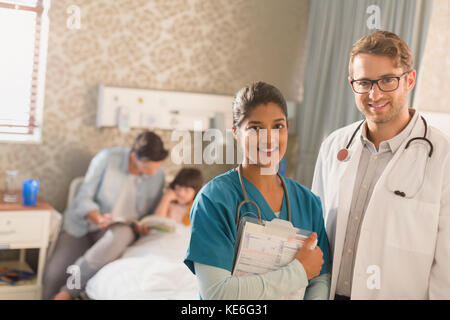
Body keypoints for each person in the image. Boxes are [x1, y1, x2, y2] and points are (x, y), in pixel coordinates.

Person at [312, 31, 450, 299]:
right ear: (352, 83)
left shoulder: (444, 157)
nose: (374, 94)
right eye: (364, 82)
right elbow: (315, 231)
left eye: (387, 80)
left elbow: (448, 264)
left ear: (409, 80)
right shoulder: (333, 146)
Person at [184, 81, 331, 300]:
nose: (269, 138)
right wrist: (299, 271)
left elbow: (321, 278)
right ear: (235, 132)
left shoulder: (308, 201)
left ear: (287, 129)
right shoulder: (214, 199)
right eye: (255, 128)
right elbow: (217, 294)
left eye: (278, 126)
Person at [43, 131, 169, 300]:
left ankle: (68, 292)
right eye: (146, 168)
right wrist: (98, 218)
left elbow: (150, 214)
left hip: (119, 231)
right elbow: (83, 197)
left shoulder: (158, 176)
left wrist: (144, 225)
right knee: (54, 275)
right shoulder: (107, 159)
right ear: (133, 156)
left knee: (121, 234)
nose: (151, 173)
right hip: (83, 225)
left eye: (156, 167)